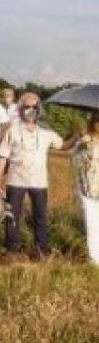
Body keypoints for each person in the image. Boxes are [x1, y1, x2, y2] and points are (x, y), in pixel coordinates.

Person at [0, 93, 75, 262]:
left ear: (39, 109)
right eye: (26, 107)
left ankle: (40, 250)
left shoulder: (46, 131)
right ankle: (12, 250)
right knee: (12, 216)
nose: (30, 110)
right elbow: (3, 157)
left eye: (34, 107)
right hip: (15, 180)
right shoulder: (12, 130)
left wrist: (76, 137)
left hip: (39, 182)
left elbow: (63, 146)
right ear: (20, 109)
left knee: (40, 217)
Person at [71, 113, 99, 266]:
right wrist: (84, 145)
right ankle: (95, 260)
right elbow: (74, 160)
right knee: (92, 223)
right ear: (92, 123)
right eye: (97, 120)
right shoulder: (85, 141)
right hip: (88, 188)